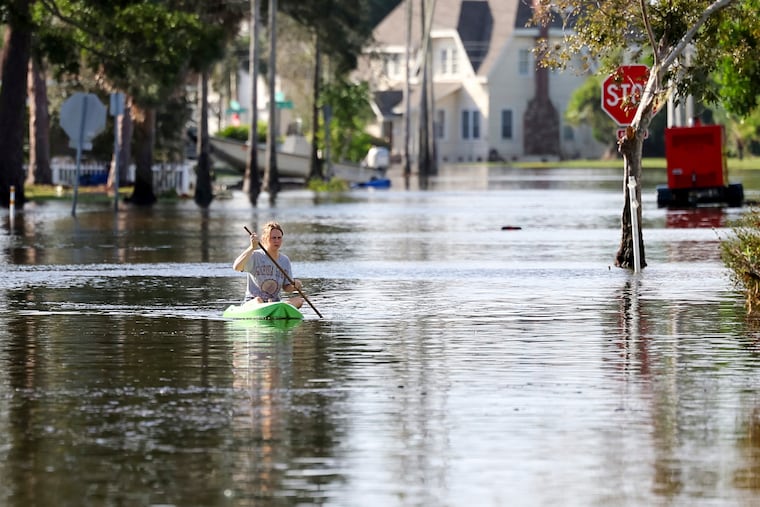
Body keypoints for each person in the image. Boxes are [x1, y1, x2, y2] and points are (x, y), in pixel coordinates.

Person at [232, 221, 304, 308]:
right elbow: (236, 267)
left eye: (279, 238)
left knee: (299, 301)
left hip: (274, 302)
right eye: (273, 238)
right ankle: (270, 308)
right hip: (253, 301)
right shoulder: (255, 256)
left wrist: (295, 285)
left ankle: (276, 308)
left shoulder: (285, 260)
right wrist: (251, 247)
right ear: (265, 238)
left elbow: (286, 287)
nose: (277, 241)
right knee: (258, 300)